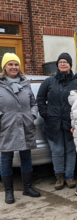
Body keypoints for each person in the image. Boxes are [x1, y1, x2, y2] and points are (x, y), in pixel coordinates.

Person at [0, 53, 41, 204]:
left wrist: (32, 115)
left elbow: (34, 103)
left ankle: (27, 188)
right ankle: (9, 192)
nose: (14, 67)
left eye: (16, 64)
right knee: (6, 159)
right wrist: (1, 119)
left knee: (26, 158)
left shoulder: (25, 83)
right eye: (10, 64)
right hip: (7, 127)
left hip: (25, 125)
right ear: (4, 66)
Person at [37, 53, 77, 190]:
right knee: (57, 151)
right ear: (57, 65)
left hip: (70, 123)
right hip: (52, 123)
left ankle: (69, 176)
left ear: (70, 65)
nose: (62, 64)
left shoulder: (76, 82)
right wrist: (45, 113)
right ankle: (59, 176)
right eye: (60, 62)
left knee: (71, 151)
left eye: (65, 62)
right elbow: (40, 98)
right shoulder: (49, 82)